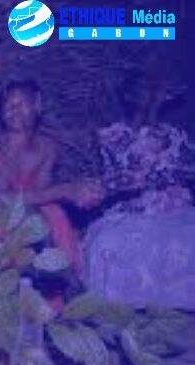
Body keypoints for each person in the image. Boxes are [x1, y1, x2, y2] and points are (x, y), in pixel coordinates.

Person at [84, 71, 195, 308]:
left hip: (173, 209)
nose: (152, 95)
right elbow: (129, 171)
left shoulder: (174, 135)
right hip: (132, 210)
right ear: (130, 95)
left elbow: (184, 170)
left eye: (154, 91)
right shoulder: (112, 135)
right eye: (146, 91)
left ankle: (177, 314)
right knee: (110, 243)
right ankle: (120, 313)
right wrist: (150, 112)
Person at [0, 80, 104, 280]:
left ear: (37, 106)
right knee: (40, 217)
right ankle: (46, 278)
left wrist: (79, 194)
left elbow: (40, 193)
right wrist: (65, 190)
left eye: (22, 103)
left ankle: (63, 279)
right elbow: (3, 200)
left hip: (27, 211)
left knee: (54, 213)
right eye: (8, 105)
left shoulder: (47, 147)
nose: (14, 110)